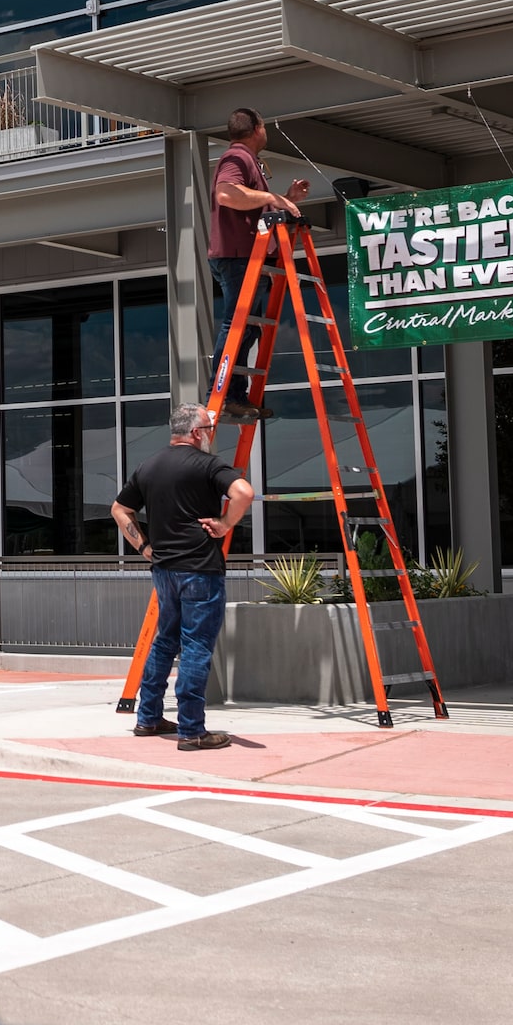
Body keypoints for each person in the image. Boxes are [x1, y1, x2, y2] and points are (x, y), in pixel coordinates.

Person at [114, 402, 255, 750]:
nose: (211, 434)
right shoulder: (207, 465)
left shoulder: (149, 466)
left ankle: (148, 718)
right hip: (200, 570)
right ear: (196, 432)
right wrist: (224, 524)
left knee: (165, 642)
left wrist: (144, 547)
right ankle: (192, 730)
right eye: (209, 428)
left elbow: (119, 508)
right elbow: (244, 493)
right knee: (196, 647)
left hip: (164, 569)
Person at [209, 109, 311, 422]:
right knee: (237, 325)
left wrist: (283, 197)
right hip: (239, 256)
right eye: (265, 126)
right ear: (257, 128)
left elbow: (248, 202)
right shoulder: (236, 158)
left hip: (246, 256)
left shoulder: (246, 160)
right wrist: (275, 199)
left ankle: (235, 395)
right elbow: (226, 194)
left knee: (248, 328)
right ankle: (225, 394)